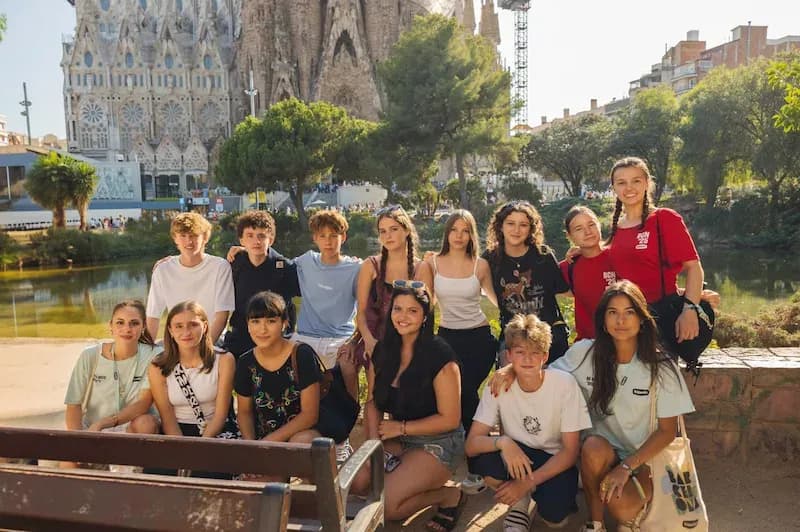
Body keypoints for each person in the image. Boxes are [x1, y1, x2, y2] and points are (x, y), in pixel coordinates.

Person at [493, 280, 695, 532]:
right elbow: (542, 375)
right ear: (603, 319)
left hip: (642, 460)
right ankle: (595, 524)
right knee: (592, 446)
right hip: (598, 454)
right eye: (613, 312)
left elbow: (667, 431)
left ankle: (632, 508)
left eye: (629, 312)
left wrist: (626, 467)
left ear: (642, 318)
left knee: (621, 508)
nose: (621, 320)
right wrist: (512, 368)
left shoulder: (661, 367)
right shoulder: (585, 354)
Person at [466, 314, 590, 531]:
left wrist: (526, 483)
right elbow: (471, 444)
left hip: (553, 458)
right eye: (520, 353)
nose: (527, 359)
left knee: (556, 520)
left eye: (535, 353)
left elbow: (570, 452)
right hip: (517, 455)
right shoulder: (498, 384)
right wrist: (503, 442)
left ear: (545, 356)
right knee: (486, 463)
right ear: (509, 355)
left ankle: (538, 490)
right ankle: (520, 505)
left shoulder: (563, 385)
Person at [361, 283, 466, 530]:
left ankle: (449, 496)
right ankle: (399, 474)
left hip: (438, 441)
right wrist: (373, 444)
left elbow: (450, 418)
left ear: (425, 316)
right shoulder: (382, 351)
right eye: (398, 309)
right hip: (397, 437)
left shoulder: (441, 356)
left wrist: (402, 428)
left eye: (412, 311)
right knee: (357, 483)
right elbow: (373, 403)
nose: (403, 317)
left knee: (387, 507)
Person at [605, 157, 711, 365]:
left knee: (660, 386)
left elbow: (693, 267)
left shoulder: (664, 218)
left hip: (660, 318)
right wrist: (577, 252)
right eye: (621, 182)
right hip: (625, 320)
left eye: (636, 181)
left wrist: (690, 308)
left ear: (647, 183)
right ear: (614, 188)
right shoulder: (616, 228)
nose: (629, 188)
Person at [561, 205, 719, 342]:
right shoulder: (569, 266)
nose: (587, 232)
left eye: (591, 224)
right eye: (579, 229)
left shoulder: (618, 256)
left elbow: (645, 289)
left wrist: (694, 295)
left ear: (599, 225)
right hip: (586, 344)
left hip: (623, 343)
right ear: (569, 236)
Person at [420, 209, 498, 432]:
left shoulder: (480, 265)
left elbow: (496, 300)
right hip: (447, 338)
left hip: (479, 338)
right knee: (455, 391)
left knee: (468, 389)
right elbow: (425, 303)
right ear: (447, 233)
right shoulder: (432, 263)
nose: (459, 236)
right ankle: (469, 438)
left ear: (472, 235)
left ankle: (471, 440)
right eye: (454, 230)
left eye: (465, 231)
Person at [148, 301, 236, 477]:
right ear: (171, 332)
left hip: (213, 429)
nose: (186, 332)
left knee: (209, 473)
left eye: (193, 325)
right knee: (158, 475)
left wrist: (198, 448)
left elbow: (221, 414)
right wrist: (182, 450)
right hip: (177, 431)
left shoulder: (224, 360)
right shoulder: (158, 366)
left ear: (204, 326)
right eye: (178, 326)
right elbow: (167, 416)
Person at [483, 201, 570, 364]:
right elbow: (466, 273)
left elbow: (567, 290)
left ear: (531, 229)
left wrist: (579, 255)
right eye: (510, 223)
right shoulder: (490, 258)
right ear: (500, 226)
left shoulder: (543, 256)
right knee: (505, 382)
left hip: (549, 335)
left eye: (523, 225)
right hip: (513, 336)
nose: (516, 230)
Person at [64, 300, 161, 444]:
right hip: (92, 427)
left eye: (134, 323)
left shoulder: (154, 355)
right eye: (120, 323)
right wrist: (78, 441)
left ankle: (134, 464)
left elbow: (143, 403)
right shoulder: (90, 355)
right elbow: (73, 405)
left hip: (131, 426)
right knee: (69, 460)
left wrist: (104, 423)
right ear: (111, 326)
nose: (127, 329)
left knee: (146, 423)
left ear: (143, 326)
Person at [235, 292, 322, 446]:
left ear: (285, 323)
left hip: (302, 433)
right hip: (262, 440)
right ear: (248, 325)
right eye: (255, 321)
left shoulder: (301, 354)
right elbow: (244, 411)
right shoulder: (245, 362)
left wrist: (269, 443)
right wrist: (251, 447)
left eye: (271, 321)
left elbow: (310, 415)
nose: (262, 330)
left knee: (300, 443)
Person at [356, 205, 431, 359]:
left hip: (411, 340)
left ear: (407, 230)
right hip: (375, 337)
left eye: (394, 229)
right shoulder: (370, 266)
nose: (387, 236)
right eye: (382, 231)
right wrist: (369, 342)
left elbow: (427, 314)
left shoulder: (421, 268)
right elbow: (361, 313)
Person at [147, 213, 234, 344]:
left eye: (194, 235)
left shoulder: (220, 267)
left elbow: (222, 317)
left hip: (212, 342)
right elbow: (153, 315)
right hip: (178, 342)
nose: (189, 241)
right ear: (175, 238)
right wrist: (147, 351)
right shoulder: (162, 270)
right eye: (183, 236)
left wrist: (204, 350)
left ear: (205, 237)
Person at [222, 210, 299, 357]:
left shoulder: (285, 267)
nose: (256, 241)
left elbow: (292, 306)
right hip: (242, 336)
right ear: (241, 240)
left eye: (261, 236)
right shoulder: (234, 264)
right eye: (250, 236)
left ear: (270, 239)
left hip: (276, 338)